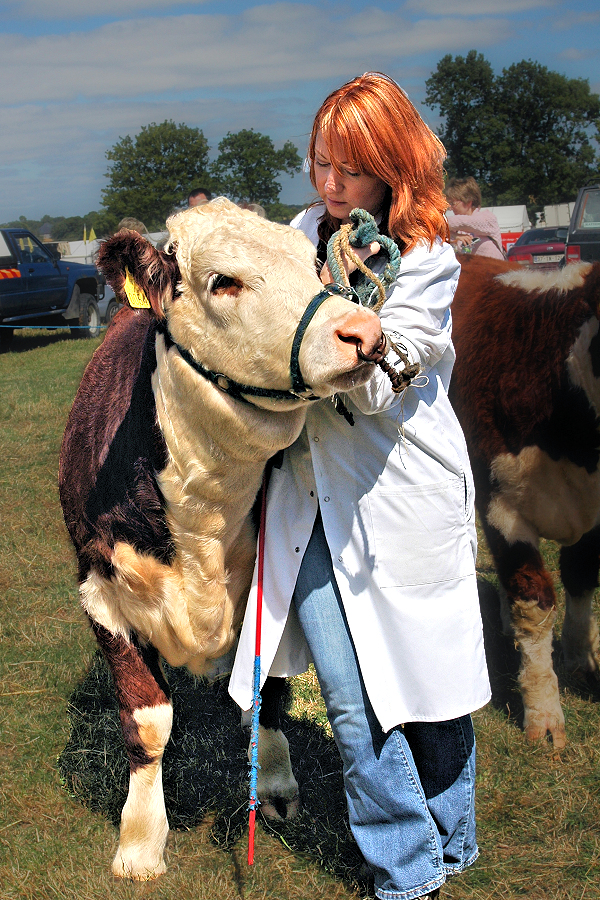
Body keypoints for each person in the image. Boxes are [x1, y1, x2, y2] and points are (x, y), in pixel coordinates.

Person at [229, 72, 490, 900]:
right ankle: (406, 875)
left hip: (397, 496)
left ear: (392, 167)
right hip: (305, 497)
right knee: (351, 704)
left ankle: (453, 838)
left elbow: (384, 384)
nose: (329, 183)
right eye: (319, 160)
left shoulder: (429, 261)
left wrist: (356, 337)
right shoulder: (295, 236)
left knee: (429, 692)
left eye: (349, 166)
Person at [444, 177, 504, 259]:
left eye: (453, 203)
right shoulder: (457, 229)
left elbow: (464, 222)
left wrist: (436, 222)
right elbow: (436, 233)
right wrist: (455, 235)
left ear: (468, 201)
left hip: (497, 270)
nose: (450, 208)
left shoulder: (488, 219)